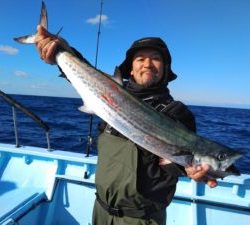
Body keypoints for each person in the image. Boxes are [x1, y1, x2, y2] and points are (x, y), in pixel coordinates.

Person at [35, 25, 217, 225]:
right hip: (100, 211)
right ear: (130, 69)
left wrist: (190, 170)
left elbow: (179, 160)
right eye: (140, 59)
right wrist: (63, 50)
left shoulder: (178, 113)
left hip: (141, 220)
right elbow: (86, 74)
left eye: (155, 58)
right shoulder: (110, 94)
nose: (147, 64)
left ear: (165, 70)